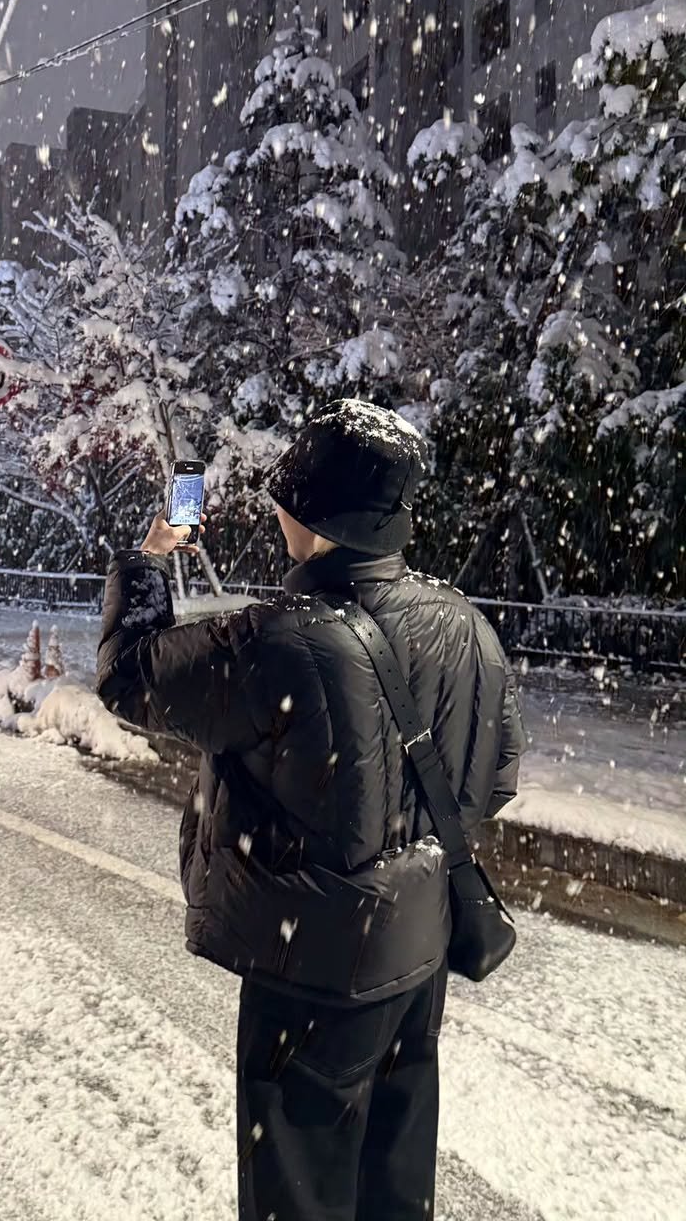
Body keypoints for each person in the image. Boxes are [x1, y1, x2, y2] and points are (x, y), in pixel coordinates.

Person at [96, 398, 526, 1221]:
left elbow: (129, 678)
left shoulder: (275, 641)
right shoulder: (466, 624)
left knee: (297, 1194)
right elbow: (494, 781)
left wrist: (150, 561)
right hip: (418, 955)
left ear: (316, 517)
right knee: (393, 1188)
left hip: (314, 970)